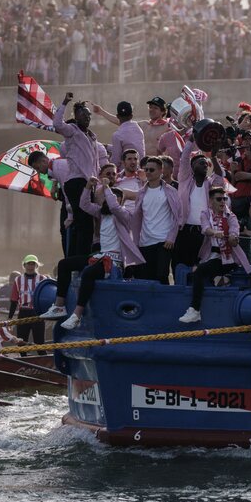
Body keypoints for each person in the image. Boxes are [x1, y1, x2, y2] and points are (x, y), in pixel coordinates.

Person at [42, 173, 145, 330]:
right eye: (109, 197)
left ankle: (77, 314)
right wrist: (88, 186)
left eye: (117, 198)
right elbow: (84, 205)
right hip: (100, 256)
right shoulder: (102, 214)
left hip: (115, 262)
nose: (112, 200)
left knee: (89, 273)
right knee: (64, 264)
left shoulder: (124, 216)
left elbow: (115, 207)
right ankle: (59, 305)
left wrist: (107, 187)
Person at [178, 187, 251, 323]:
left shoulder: (231, 216)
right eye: (219, 199)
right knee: (198, 268)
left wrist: (233, 238)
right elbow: (205, 228)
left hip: (229, 259)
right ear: (211, 201)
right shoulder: (205, 214)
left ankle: (195, 309)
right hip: (211, 255)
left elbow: (235, 231)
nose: (223, 202)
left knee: (199, 271)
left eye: (224, 199)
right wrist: (215, 232)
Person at [53, 95, 105, 256]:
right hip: (76, 182)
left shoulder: (91, 136)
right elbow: (57, 124)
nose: (87, 117)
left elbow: (94, 162)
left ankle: (83, 257)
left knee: (88, 224)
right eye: (83, 115)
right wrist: (64, 103)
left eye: (89, 115)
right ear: (76, 117)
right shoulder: (72, 131)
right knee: (83, 224)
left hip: (88, 183)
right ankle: (78, 261)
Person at [174, 144, 226, 270]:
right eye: (200, 163)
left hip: (203, 233)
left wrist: (213, 158)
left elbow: (219, 175)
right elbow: (185, 158)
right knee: (181, 264)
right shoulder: (185, 180)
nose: (204, 165)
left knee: (199, 265)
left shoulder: (210, 185)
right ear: (192, 167)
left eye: (205, 164)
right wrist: (191, 141)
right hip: (185, 231)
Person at [131, 156, 182, 283]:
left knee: (162, 276)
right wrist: (135, 242)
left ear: (161, 171)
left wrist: (171, 237)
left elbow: (178, 216)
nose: (148, 172)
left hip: (163, 241)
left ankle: (164, 302)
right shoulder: (142, 192)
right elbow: (137, 219)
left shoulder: (170, 191)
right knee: (145, 277)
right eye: (146, 169)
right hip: (145, 241)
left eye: (151, 170)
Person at [9, 254, 48, 347]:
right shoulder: (18, 280)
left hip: (38, 314)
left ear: (37, 266)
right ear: (24, 265)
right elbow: (14, 300)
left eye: (33, 264)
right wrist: (10, 318)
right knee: (21, 344)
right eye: (28, 264)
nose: (30, 266)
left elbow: (47, 298)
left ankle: (41, 359)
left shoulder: (43, 279)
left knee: (40, 344)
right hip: (23, 313)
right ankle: (23, 358)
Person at [98, 100, 146, 167]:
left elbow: (116, 161)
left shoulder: (117, 135)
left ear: (117, 116)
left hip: (127, 172)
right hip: (141, 168)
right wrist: (107, 147)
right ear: (131, 116)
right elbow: (128, 147)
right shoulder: (139, 130)